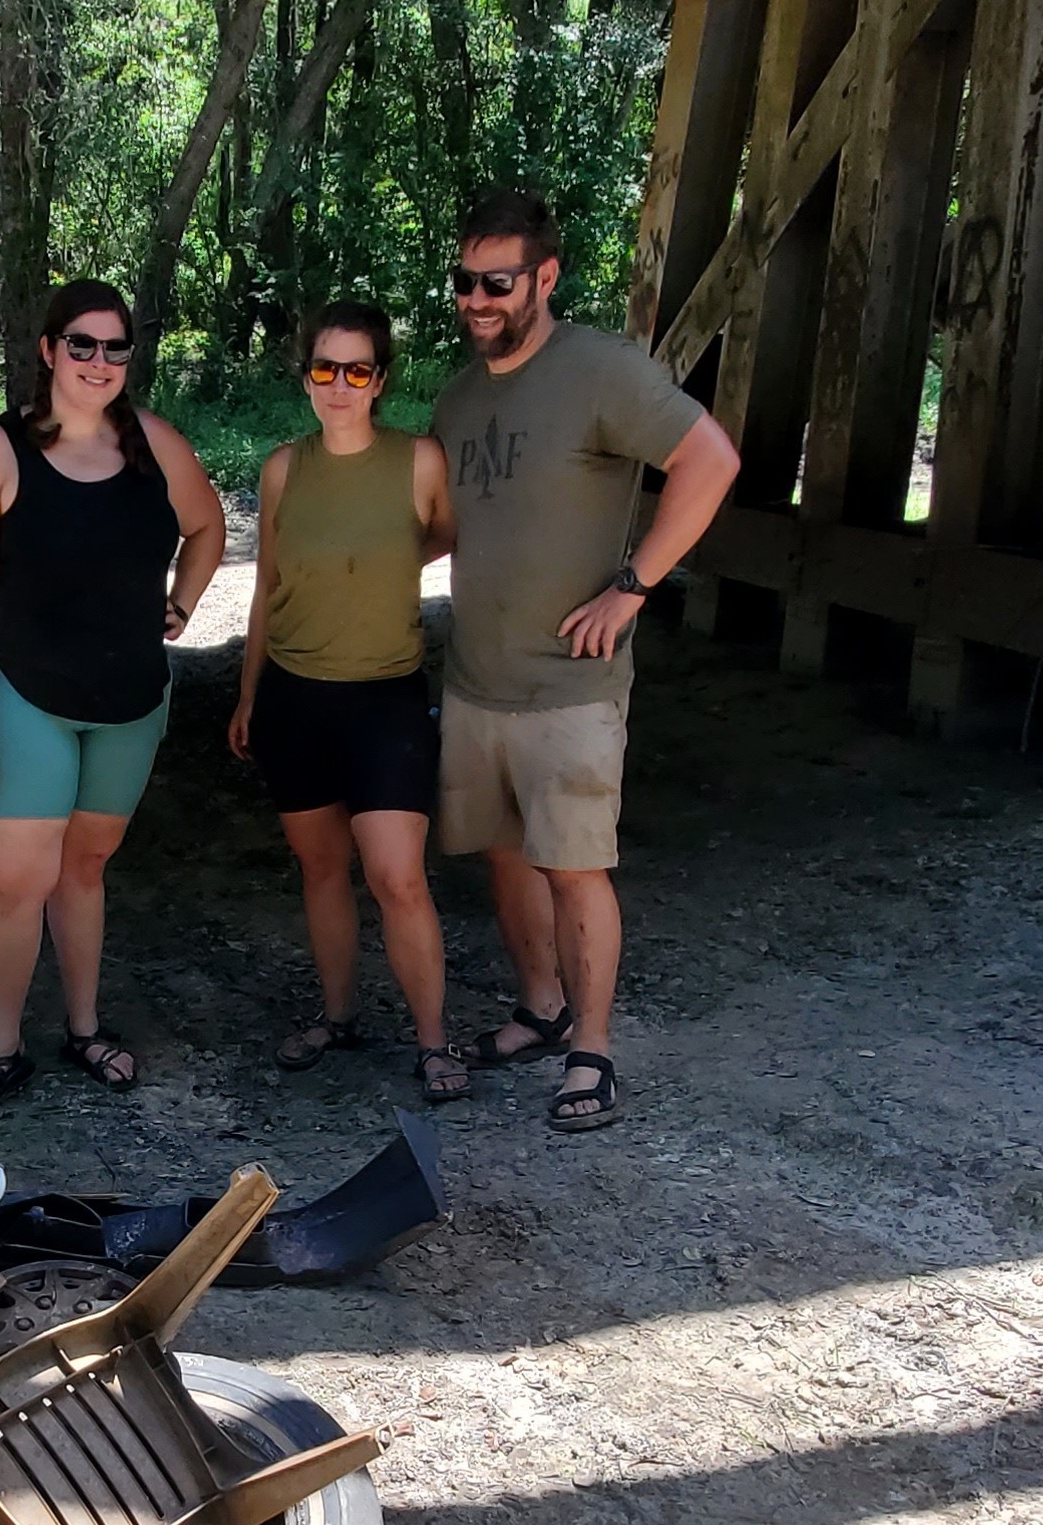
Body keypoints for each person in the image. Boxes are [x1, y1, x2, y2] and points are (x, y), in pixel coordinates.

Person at [434, 189, 740, 1130]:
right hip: (477, 679)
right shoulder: (458, 395)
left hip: (570, 686)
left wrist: (635, 585)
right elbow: (442, 526)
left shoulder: (601, 369)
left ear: (545, 277)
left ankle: (593, 1053)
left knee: (575, 866)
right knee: (505, 856)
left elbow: (711, 460)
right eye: (464, 282)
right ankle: (540, 1008)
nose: (478, 300)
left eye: (498, 283)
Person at [0, 277, 226, 1109]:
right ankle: (2, 1048)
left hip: (130, 700)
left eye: (116, 347)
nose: (99, 362)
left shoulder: (155, 445)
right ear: (48, 350)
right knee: (19, 878)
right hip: (23, 694)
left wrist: (183, 601)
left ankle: (85, 1027)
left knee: (86, 869)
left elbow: (207, 528)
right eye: (82, 344)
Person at [226, 302, 468, 1104]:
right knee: (321, 869)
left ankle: (434, 1044)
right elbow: (267, 587)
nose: (339, 385)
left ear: (381, 380)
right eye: (324, 369)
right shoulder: (283, 470)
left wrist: (388, 559)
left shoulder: (419, 462)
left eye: (356, 370)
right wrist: (250, 692)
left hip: (385, 700)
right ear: (306, 378)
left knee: (398, 876)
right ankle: (337, 1018)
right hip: (295, 699)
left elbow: (446, 536)